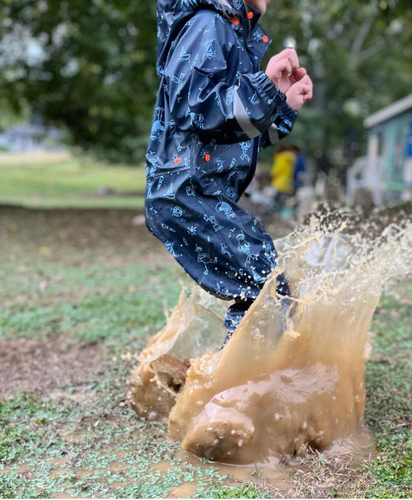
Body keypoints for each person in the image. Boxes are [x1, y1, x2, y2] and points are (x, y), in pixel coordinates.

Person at [144, 0, 313, 340]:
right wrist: (262, 86)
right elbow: (194, 109)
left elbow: (235, 137)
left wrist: (281, 103)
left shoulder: (231, 34)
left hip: (196, 191)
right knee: (266, 291)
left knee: (263, 290)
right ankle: (239, 389)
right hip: (187, 191)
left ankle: (233, 382)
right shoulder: (209, 24)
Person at [270, 143, 296, 212]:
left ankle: (276, 217)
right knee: (284, 202)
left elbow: (275, 171)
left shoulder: (280, 158)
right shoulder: (290, 159)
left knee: (277, 203)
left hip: (278, 184)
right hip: (287, 183)